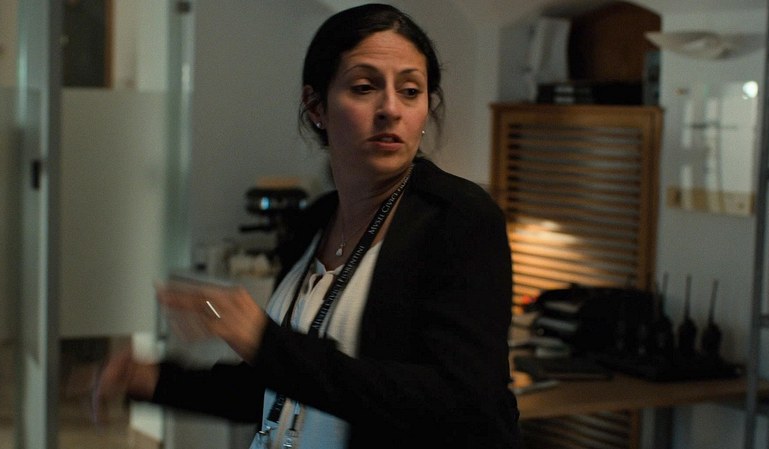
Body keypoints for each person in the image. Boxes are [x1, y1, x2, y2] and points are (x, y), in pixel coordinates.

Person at [96, 3, 522, 448]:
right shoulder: (315, 221)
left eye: (411, 91)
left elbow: (460, 403)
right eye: (364, 87)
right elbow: (284, 388)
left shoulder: (458, 218)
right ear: (316, 105)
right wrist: (155, 381)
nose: (391, 108)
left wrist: (265, 343)